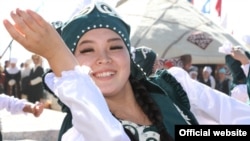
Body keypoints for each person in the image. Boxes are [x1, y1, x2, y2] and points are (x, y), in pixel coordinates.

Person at [3, 2, 250, 141]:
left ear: (129, 56)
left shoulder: (175, 90)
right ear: (71, 66)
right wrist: (56, 55)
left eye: (115, 46)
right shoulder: (76, 136)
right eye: (87, 50)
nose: (104, 58)